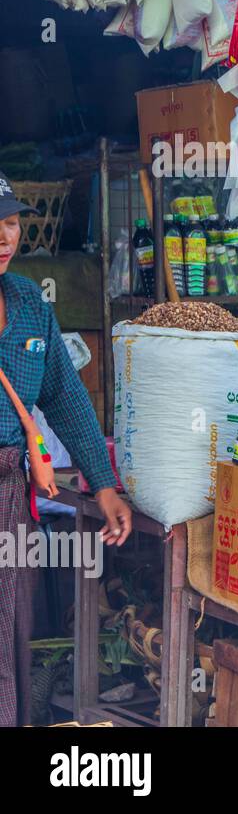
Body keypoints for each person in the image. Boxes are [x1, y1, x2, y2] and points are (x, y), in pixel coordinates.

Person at [0, 176, 129, 728]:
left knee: (13, 628)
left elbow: (65, 397)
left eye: (9, 222)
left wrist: (103, 484)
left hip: (10, 495)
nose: (4, 235)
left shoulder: (28, 303)